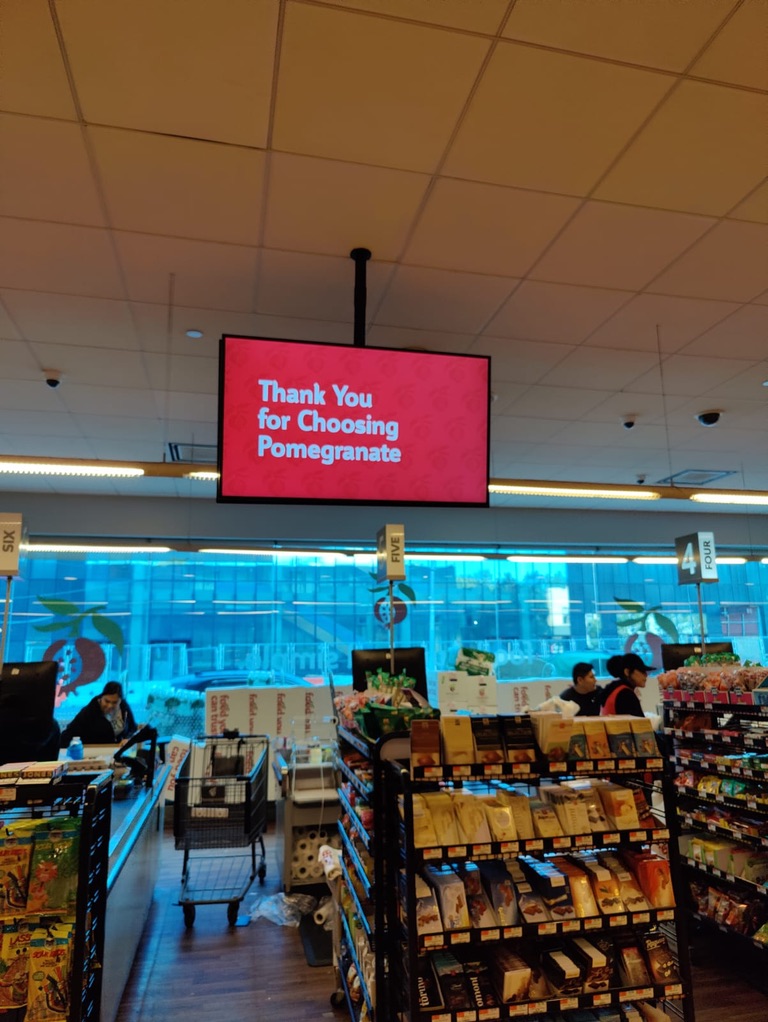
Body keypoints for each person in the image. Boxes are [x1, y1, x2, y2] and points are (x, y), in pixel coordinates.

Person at [60, 681, 137, 747]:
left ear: (120, 701)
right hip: (93, 752)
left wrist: (127, 739)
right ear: (101, 698)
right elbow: (68, 734)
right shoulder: (89, 711)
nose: (110, 706)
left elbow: (132, 727)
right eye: (107, 701)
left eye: (115, 702)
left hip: (116, 751)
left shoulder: (124, 708)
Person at [601, 653, 652, 717]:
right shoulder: (625, 694)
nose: (646, 675)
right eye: (642, 671)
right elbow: (640, 724)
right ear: (627, 672)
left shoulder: (613, 689)